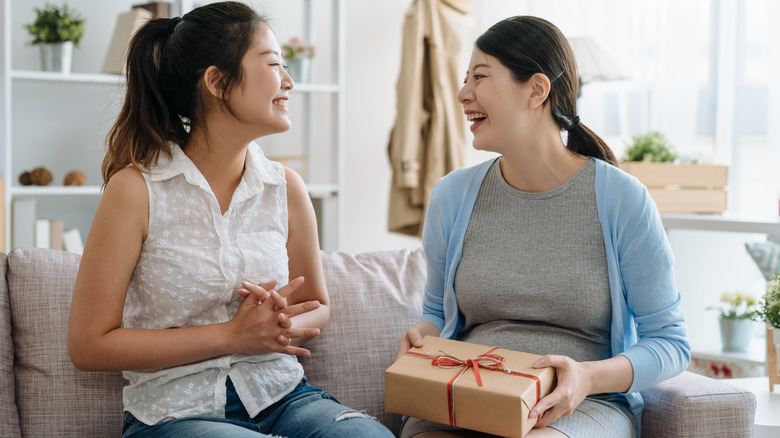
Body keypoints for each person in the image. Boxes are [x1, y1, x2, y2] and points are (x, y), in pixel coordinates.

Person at [67, 3, 393, 437]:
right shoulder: (135, 191)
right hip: (176, 413)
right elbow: (89, 345)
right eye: (274, 65)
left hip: (283, 399)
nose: (289, 82)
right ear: (218, 82)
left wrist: (280, 325)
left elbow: (317, 306)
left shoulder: (286, 188)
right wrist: (231, 335)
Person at [397, 16, 690, 438]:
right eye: (465, 79)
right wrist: (422, 336)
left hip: (578, 406)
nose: (463, 94)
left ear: (536, 90)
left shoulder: (622, 199)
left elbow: (670, 343)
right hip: (468, 395)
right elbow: (433, 313)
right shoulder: (452, 195)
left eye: (479, 77)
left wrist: (587, 377)